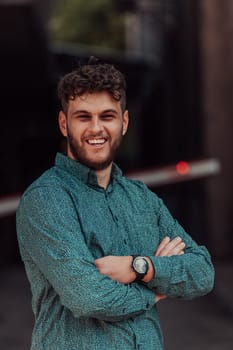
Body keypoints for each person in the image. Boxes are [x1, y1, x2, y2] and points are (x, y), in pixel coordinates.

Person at [16, 57, 214, 350]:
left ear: (124, 123)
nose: (96, 128)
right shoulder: (46, 199)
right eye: (83, 117)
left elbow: (203, 272)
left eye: (107, 116)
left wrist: (141, 267)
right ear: (63, 123)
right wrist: (155, 291)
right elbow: (88, 297)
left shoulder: (141, 198)